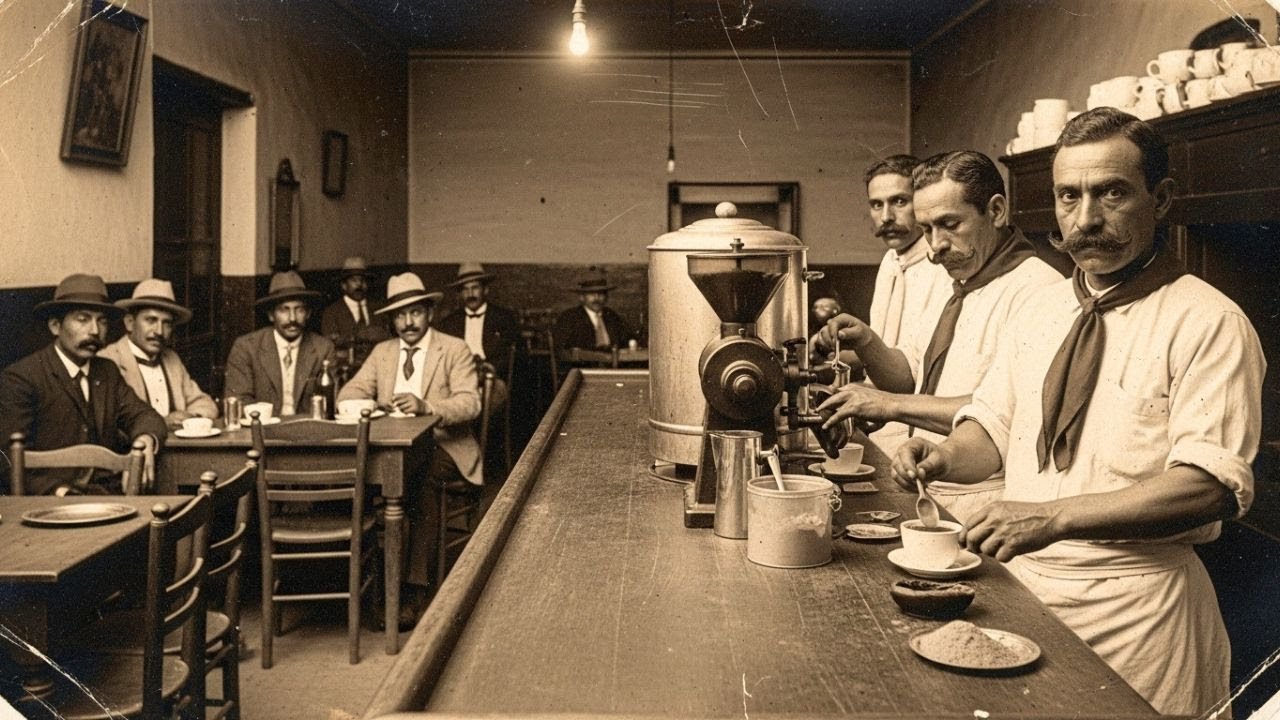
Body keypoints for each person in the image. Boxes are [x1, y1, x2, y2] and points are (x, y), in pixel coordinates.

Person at [892, 108, 1265, 716]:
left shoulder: (1207, 321)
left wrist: (1051, 517)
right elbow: (994, 431)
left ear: (1161, 198)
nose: (1086, 219)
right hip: (1028, 598)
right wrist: (943, 456)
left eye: (1111, 193)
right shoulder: (1040, 312)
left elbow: (1208, 488)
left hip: (1142, 616)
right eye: (1069, 196)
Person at [817, 150, 1061, 523]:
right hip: (932, 485)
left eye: (949, 224)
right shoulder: (957, 282)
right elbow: (908, 374)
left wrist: (888, 404)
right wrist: (866, 342)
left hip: (986, 497)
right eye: (927, 228)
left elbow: (1002, 411)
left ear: (996, 212)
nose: (935, 246)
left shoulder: (1038, 290)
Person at [337, 272, 481, 616]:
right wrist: (370, 405)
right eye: (400, 315)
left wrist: (428, 406)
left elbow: (470, 402)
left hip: (445, 446)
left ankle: (412, 591)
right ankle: (372, 586)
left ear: (429, 313)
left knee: (420, 479)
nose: (408, 322)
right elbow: (349, 393)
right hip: (392, 448)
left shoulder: (454, 349)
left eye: (415, 312)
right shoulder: (383, 353)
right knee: (363, 477)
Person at [0, 274, 166, 495]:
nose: (95, 331)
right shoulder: (22, 377)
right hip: (48, 504)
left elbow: (145, 416)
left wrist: (146, 439)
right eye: (83, 319)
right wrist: (59, 492)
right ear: (55, 326)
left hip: (109, 498)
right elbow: (7, 459)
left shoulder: (106, 371)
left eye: (102, 321)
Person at [99, 278, 219, 429]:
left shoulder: (171, 359)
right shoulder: (108, 360)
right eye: (151, 320)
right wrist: (162, 422)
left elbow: (204, 403)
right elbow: (110, 423)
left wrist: (191, 419)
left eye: (166, 323)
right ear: (129, 322)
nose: (159, 331)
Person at [225, 271, 336, 416]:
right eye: (284, 310)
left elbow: (330, 403)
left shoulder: (323, 348)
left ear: (308, 313)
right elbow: (239, 400)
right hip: (262, 431)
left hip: (307, 432)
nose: (292, 318)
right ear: (271, 315)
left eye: (299, 309)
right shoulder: (246, 347)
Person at [437, 262, 521, 381]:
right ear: (461, 294)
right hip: (458, 377)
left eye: (475, 288)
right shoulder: (450, 322)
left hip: (492, 377)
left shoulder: (503, 318)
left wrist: (490, 368)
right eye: (466, 289)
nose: (470, 294)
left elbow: (513, 355)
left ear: (485, 290)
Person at [320, 256, 389, 379]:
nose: (359, 284)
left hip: (379, 371)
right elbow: (328, 346)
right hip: (346, 374)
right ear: (344, 285)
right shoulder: (332, 312)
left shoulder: (379, 310)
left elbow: (387, 338)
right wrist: (358, 335)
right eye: (354, 280)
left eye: (362, 280)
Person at [552, 269, 634, 352]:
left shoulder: (612, 316)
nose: (596, 298)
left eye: (601, 293)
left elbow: (628, 341)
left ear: (606, 297)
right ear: (582, 297)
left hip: (614, 363)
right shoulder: (569, 318)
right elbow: (562, 350)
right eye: (591, 293)